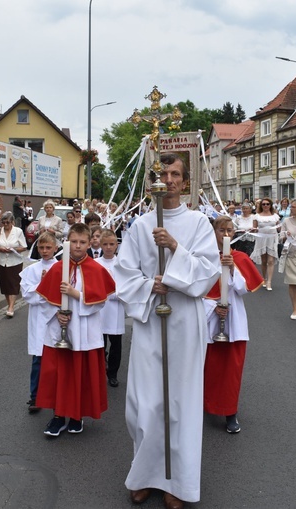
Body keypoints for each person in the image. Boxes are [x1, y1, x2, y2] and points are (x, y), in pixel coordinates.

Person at [112, 152, 219, 509]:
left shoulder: (199, 223)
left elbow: (208, 272)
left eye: (176, 174)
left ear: (185, 182)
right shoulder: (140, 226)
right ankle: (143, 475)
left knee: (180, 404)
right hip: (149, 323)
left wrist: (174, 248)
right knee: (144, 404)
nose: (169, 180)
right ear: (153, 181)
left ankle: (178, 483)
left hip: (185, 322)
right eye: (163, 174)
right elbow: (124, 275)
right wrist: (150, 287)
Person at [35, 222, 116, 436]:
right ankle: (58, 415)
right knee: (59, 373)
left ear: (90, 243)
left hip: (84, 330)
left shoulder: (96, 269)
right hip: (59, 329)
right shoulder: (57, 267)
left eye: (82, 242)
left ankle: (77, 416)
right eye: (74, 242)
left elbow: (99, 302)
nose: (78, 246)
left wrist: (75, 294)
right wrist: (58, 314)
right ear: (67, 242)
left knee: (80, 374)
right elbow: (44, 300)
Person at [203, 216, 263, 434]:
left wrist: (232, 269)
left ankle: (230, 412)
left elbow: (243, 289)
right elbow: (194, 289)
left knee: (231, 370)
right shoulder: (203, 258)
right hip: (207, 318)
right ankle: (203, 406)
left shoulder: (239, 257)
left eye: (230, 230)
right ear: (214, 232)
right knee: (205, 367)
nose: (226, 234)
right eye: (221, 230)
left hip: (233, 319)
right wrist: (212, 308)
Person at [19, 232, 58, 414]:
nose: (44, 251)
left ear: (55, 248)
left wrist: (47, 287)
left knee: (56, 359)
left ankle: (56, 394)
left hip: (56, 318)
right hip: (38, 318)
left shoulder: (61, 268)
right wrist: (43, 284)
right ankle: (35, 396)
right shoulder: (32, 270)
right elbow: (27, 294)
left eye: (48, 247)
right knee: (38, 359)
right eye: (41, 247)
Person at [94, 229, 124, 387]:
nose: (108, 247)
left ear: (117, 245)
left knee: (116, 344)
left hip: (116, 309)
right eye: (105, 244)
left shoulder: (122, 263)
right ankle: (99, 372)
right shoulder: (96, 264)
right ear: (100, 245)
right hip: (99, 309)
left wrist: (115, 294)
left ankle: (113, 373)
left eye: (112, 244)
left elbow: (125, 285)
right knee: (100, 343)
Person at [0, 212, 27, 317]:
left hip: (15, 262)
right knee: (5, 285)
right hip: (2, 262)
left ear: (12, 222)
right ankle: (9, 305)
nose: (5, 224)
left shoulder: (18, 231)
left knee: (14, 285)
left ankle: (11, 307)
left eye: (7, 222)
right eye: (3, 222)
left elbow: (24, 247)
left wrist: (13, 250)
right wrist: (0, 249)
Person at [251, 198, 280, 291]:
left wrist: (283, 231)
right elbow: (255, 228)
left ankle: (269, 282)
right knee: (264, 261)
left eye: (267, 204)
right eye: (263, 204)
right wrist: (252, 230)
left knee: (270, 261)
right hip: (261, 239)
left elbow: (279, 228)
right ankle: (264, 278)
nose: (265, 206)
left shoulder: (275, 216)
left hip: (272, 239)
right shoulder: (257, 216)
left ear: (270, 205)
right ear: (261, 206)